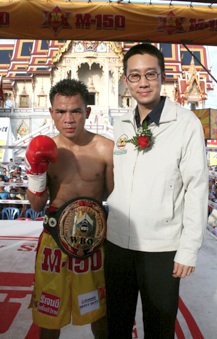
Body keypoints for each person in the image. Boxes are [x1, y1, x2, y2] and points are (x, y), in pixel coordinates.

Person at [104, 43, 208, 339]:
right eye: (135, 76)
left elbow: (197, 188)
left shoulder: (185, 124)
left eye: (150, 74)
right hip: (118, 245)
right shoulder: (121, 124)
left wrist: (188, 250)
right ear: (126, 81)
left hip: (161, 248)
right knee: (117, 323)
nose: (143, 83)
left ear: (162, 77)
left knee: (159, 327)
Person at [26, 79, 114, 339]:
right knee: (49, 316)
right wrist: (37, 172)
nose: (68, 119)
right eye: (61, 111)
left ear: (87, 111)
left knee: (101, 314)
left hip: (95, 245)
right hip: (54, 243)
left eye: (75, 110)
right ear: (51, 113)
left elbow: (117, 199)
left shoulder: (106, 149)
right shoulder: (46, 147)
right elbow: (36, 205)